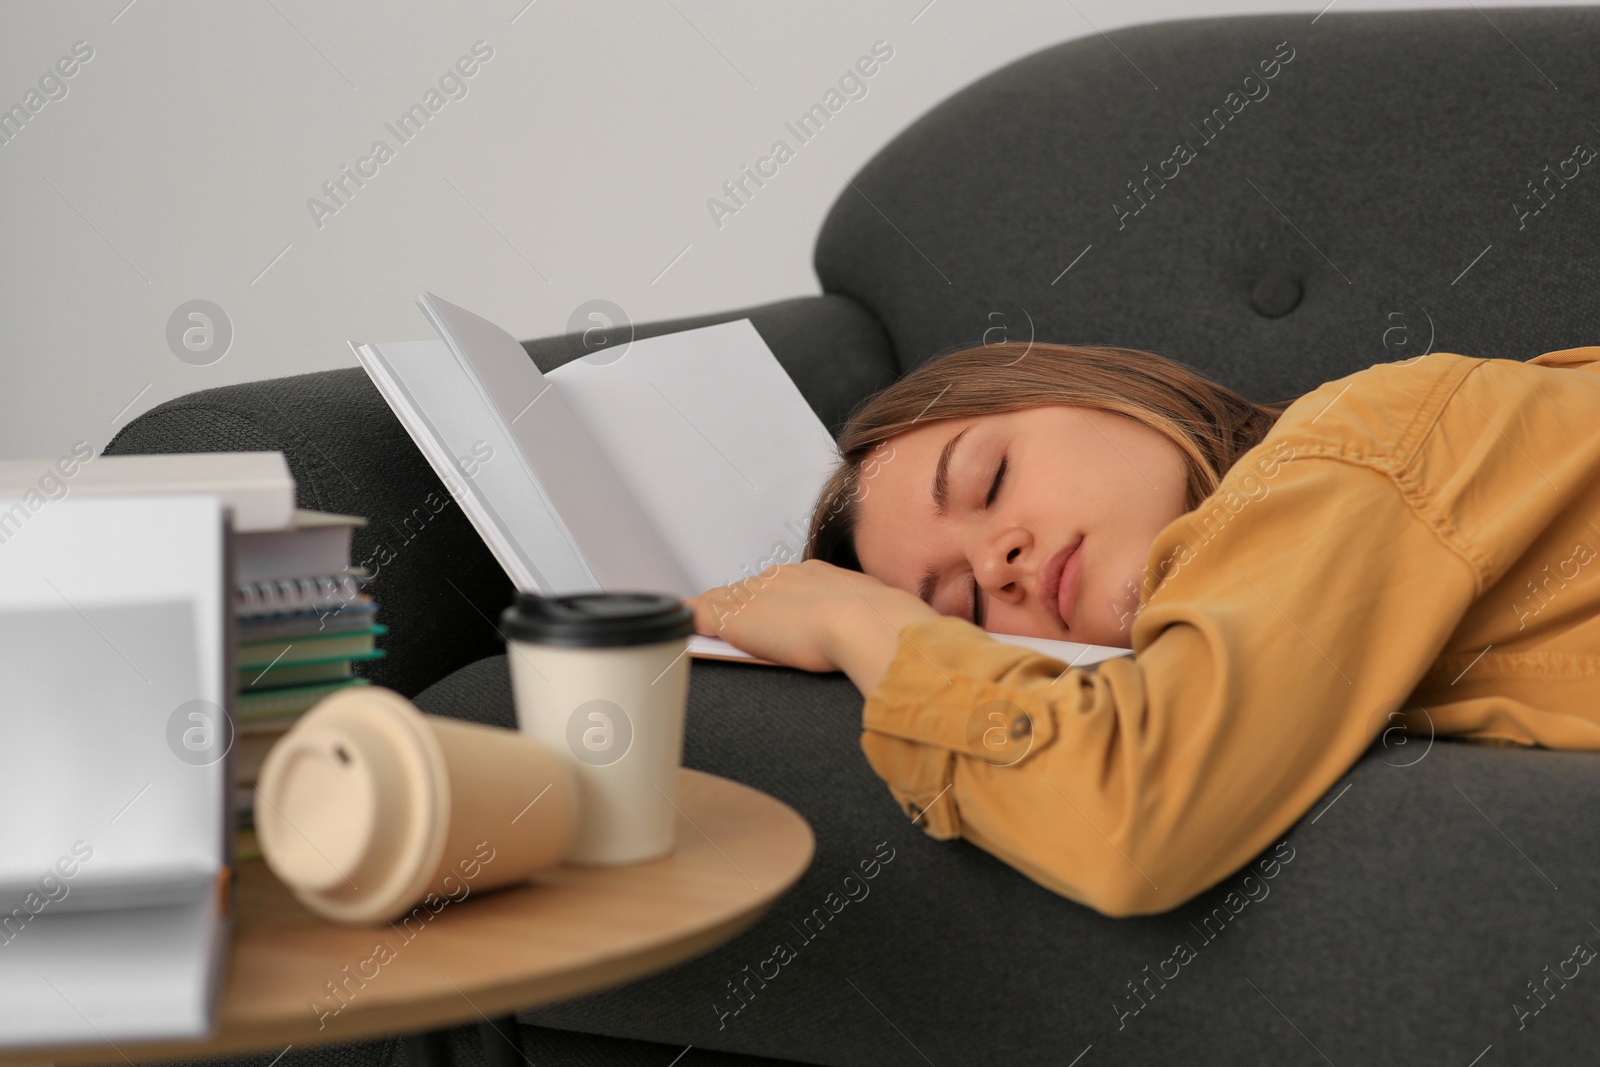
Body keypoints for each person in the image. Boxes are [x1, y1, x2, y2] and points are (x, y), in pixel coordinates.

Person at [686, 339, 1600, 916]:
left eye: (990, 479)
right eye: (963, 607)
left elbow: (1136, 819)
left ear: (1090, 388)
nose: (1001, 558)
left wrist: (861, 621)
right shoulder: (1269, 641)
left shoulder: (1357, 440)